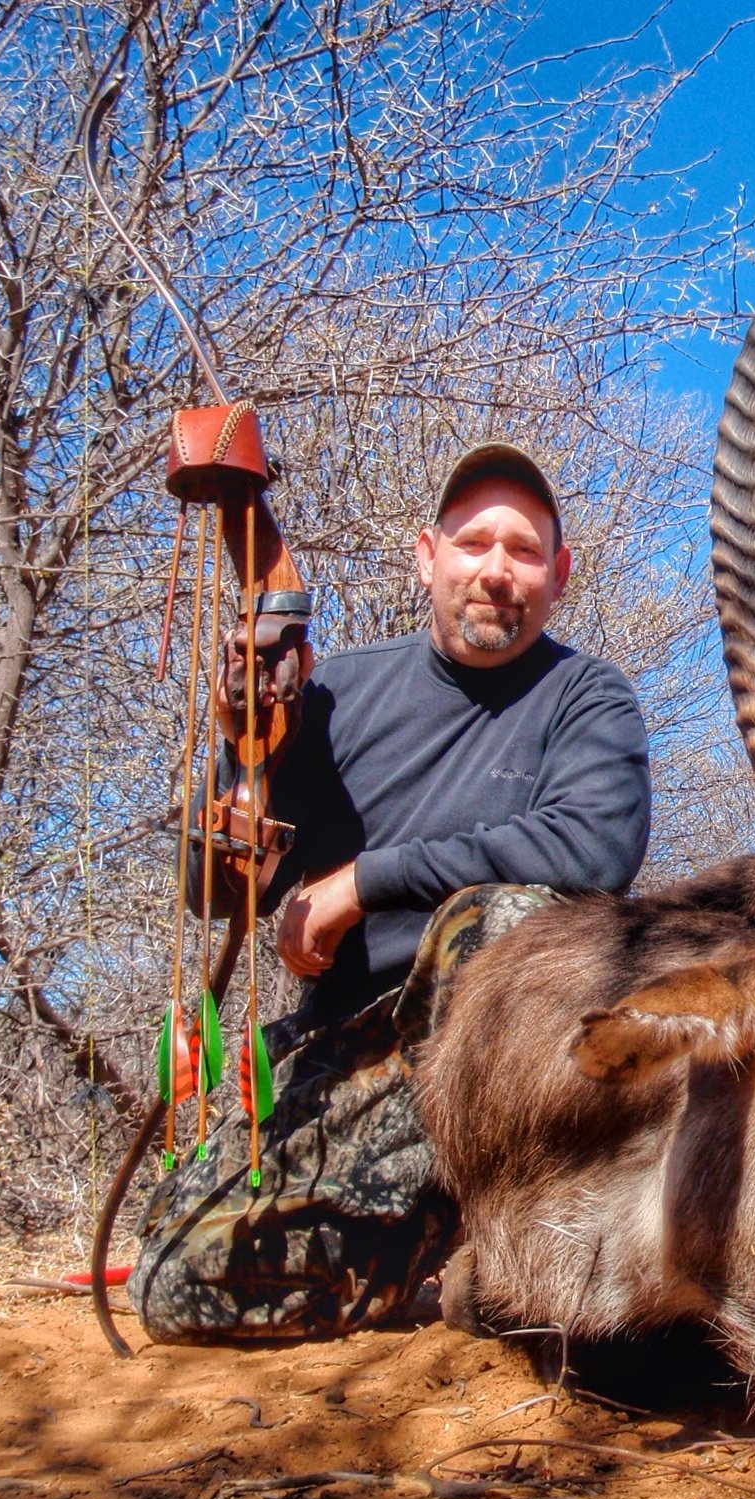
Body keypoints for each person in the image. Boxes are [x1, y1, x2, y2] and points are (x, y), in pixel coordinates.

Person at [128, 442, 651, 1342]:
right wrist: (239, 754)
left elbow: (595, 849)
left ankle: (513, 1228)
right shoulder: (332, 695)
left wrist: (361, 883)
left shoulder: (588, 698)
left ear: (558, 574)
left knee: (506, 922)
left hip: (502, 1062)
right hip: (349, 1051)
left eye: (524, 551)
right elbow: (213, 895)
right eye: (472, 542)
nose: (496, 570)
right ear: (425, 556)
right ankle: (441, 1257)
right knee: (170, 1283)